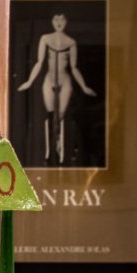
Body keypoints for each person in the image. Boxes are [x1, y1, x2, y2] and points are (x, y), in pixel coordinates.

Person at [15, 12, 97, 166]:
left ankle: (60, 146)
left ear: (66, 21)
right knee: (50, 114)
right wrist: (29, 81)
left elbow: (73, 68)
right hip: (49, 79)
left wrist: (84, 86)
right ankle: (48, 149)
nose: (59, 22)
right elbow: (39, 62)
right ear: (52, 21)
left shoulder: (71, 42)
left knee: (60, 116)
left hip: (65, 80)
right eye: (56, 19)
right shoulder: (45, 38)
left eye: (62, 19)